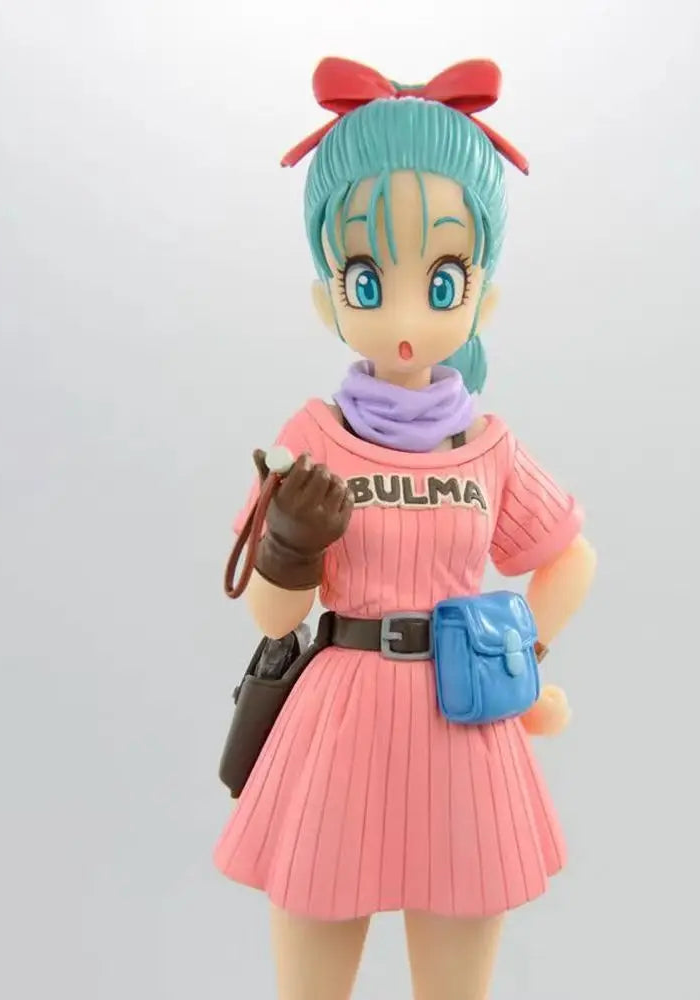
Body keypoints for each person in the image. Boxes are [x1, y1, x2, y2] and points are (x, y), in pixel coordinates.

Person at [214, 57, 598, 1000]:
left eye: (441, 278)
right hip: (339, 722)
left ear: (481, 295)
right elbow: (271, 617)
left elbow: (568, 557)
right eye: (365, 277)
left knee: (455, 981)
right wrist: (289, 545)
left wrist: (521, 661)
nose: (401, 313)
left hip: (463, 725)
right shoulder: (311, 440)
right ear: (327, 295)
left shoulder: (488, 445)